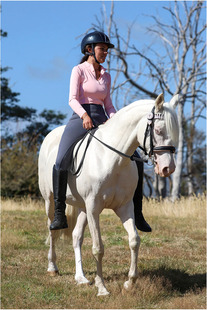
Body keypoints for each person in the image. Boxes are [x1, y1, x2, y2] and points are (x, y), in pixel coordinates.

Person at [50, 31, 151, 233]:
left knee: (136, 157)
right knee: (61, 159)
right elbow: (72, 99)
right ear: (89, 50)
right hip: (81, 117)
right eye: (102, 49)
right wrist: (84, 116)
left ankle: (138, 213)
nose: (105, 52)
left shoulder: (106, 75)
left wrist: (117, 120)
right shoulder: (78, 70)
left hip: (102, 117)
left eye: (106, 50)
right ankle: (60, 212)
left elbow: (108, 104)